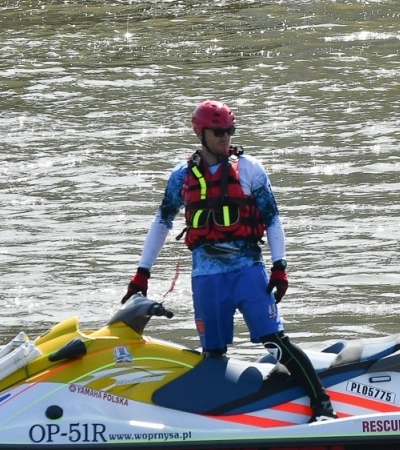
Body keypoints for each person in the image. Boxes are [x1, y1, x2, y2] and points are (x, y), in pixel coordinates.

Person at [122, 100, 334, 421]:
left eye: (229, 131)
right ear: (200, 133)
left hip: (248, 271)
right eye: (218, 132)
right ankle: (223, 419)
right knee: (213, 354)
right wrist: (142, 275)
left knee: (274, 342)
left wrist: (280, 267)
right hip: (206, 278)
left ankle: (322, 406)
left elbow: (273, 219)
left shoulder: (250, 169)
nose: (225, 137)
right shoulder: (181, 177)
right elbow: (162, 222)